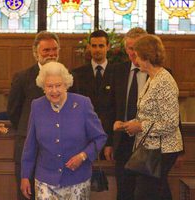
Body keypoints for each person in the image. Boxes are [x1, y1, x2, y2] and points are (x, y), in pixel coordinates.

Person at [20, 61, 107, 200]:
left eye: (58, 85)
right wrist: (25, 176)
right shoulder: (37, 106)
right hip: (45, 180)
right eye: (49, 86)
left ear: (66, 85)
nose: (54, 91)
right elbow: (30, 145)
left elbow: (100, 137)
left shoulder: (83, 104)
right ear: (43, 87)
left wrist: (83, 156)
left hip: (77, 179)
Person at [121, 34, 183, 200]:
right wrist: (131, 124)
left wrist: (140, 126)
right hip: (151, 147)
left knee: (145, 194)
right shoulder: (152, 78)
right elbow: (149, 113)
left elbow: (171, 122)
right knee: (159, 192)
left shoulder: (164, 81)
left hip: (162, 149)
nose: (135, 61)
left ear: (146, 57)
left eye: (137, 56)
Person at [7, 31, 60, 200]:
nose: (51, 54)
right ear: (36, 52)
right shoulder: (22, 78)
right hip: (27, 148)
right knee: (26, 195)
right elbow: (14, 111)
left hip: (57, 150)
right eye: (46, 50)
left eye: (54, 49)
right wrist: (27, 130)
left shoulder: (68, 77)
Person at [104, 27, 148, 200]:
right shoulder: (118, 71)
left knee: (147, 191)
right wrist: (108, 142)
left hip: (148, 142)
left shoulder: (160, 73)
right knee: (124, 191)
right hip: (122, 142)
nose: (133, 52)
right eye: (129, 48)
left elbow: (172, 114)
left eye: (136, 47)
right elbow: (110, 109)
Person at [70, 30, 115, 159]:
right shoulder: (77, 74)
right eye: (94, 46)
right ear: (88, 47)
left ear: (108, 46)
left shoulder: (117, 73)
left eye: (101, 46)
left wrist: (110, 142)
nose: (97, 50)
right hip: (84, 138)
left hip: (109, 135)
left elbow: (117, 109)